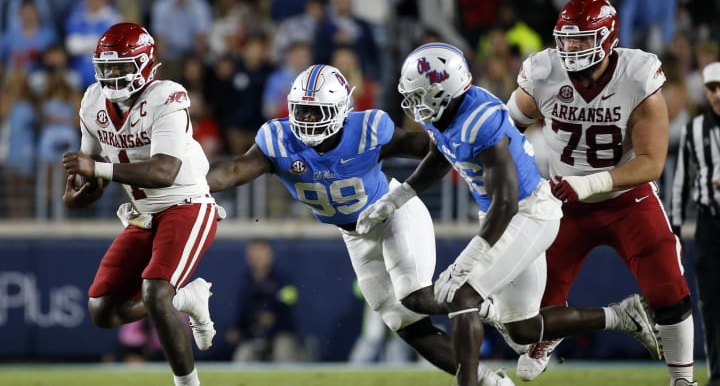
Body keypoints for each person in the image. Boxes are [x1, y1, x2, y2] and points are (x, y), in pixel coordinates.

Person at [355, 42, 661, 386]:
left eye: (418, 94)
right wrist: (398, 197)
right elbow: (442, 154)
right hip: (507, 215)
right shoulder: (448, 113)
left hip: (527, 214)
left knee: (463, 296)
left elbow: (506, 202)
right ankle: (621, 316)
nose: (412, 103)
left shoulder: (481, 122)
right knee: (523, 329)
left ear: (443, 90)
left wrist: (468, 258)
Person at [207, 64, 513, 385]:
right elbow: (232, 169)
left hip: (394, 212)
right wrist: (197, 186)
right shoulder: (278, 139)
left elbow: (428, 146)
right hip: (354, 235)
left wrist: (481, 146)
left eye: (317, 111)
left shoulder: (367, 129)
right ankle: (489, 381)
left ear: (340, 109)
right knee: (404, 323)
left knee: (413, 296)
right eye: (302, 110)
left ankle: (488, 305)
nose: (308, 120)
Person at [505, 0, 696, 386]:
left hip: (627, 198)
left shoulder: (638, 75)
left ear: (607, 38)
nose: (572, 49)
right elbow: (503, 133)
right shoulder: (543, 72)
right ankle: (551, 333)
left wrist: (589, 182)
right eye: (567, 40)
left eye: (582, 40)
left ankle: (683, 379)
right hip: (562, 201)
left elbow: (650, 162)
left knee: (668, 289)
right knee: (528, 311)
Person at [61, 22, 219, 386]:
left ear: (146, 63)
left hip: (186, 203)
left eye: (121, 66)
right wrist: (78, 193)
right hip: (143, 214)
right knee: (102, 309)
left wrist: (96, 167)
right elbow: (93, 178)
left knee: (156, 290)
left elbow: (165, 170)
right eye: (107, 67)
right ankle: (186, 298)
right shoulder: (92, 101)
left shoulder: (168, 96)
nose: (112, 76)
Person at [671, 62, 720, 386]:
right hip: (709, 226)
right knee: (713, 303)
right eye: (712, 88)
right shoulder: (694, 129)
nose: (717, 94)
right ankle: (717, 374)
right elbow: (681, 183)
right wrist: (675, 230)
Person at [226, 239, 301, 362]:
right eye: (254, 255)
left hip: (280, 334)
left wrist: (273, 318)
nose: (258, 258)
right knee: (242, 356)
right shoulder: (245, 282)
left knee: (283, 352)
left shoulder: (283, 280)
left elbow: (289, 308)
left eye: (261, 254)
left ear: (270, 255)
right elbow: (241, 312)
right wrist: (238, 328)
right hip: (252, 335)